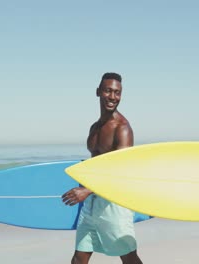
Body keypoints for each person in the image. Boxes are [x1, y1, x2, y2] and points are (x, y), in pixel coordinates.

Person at [61, 72, 143, 264]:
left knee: (129, 257)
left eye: (117, 92)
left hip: (113, 203)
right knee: (79, 257)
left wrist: (86, 190)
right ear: (98, 92)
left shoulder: (122, 128)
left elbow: (120, 171)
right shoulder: (95, 127)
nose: (113, 97)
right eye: (108, 91)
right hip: (91, 204)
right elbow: (95, 164)